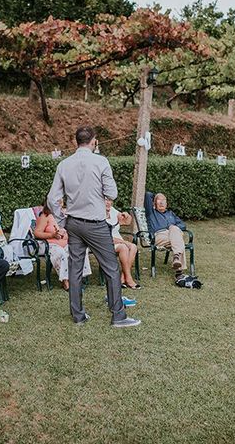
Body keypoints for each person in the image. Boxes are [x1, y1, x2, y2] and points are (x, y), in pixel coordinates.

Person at [47, 126, 141, 328]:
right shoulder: (100, 161)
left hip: (73, 223)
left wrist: (62, 221)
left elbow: (52, 198)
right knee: (111, 268)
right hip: (95, 224)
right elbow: (112, 193)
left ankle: (78, 316)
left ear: (76, 142)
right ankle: (118, 316)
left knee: (75, 269)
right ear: (94, 142)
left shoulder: (64, 164)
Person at [34, 198, 92, 291]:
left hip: (66, 242)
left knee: (79, 250)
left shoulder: (65, 215)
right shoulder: (45, 216)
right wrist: (52, 234)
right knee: (60, 253)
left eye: (61, 202)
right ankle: (66, 282)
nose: (59, 205)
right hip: (50, 244)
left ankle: (78, 278)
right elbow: (37, 233)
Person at [144, 191, 190, 286]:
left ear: (167, 203)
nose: (161, 203)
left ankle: (177, 257)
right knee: (178, 240)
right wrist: (155, 198)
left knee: (174, 229)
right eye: (159, 200)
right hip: (159, 236)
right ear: (154, 203)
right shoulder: (151, 213)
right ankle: (178, 271)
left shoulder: (171, 213)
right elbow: (148, 194)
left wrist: (171, 227)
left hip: (172, 235)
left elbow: (183, 225)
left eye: (163, 200)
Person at [105, 199, 140, 290]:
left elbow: (127, 222)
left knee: (133, 247)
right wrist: (124, 242)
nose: (108, 203)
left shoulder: (112, 210)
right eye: (105, 200)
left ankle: (122, 278)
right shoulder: (97, 214)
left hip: (118, 240)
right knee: (124, 247)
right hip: (106, 242)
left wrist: (127, 215)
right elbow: (104, 237)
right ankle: (129, 278)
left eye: (110, 200)